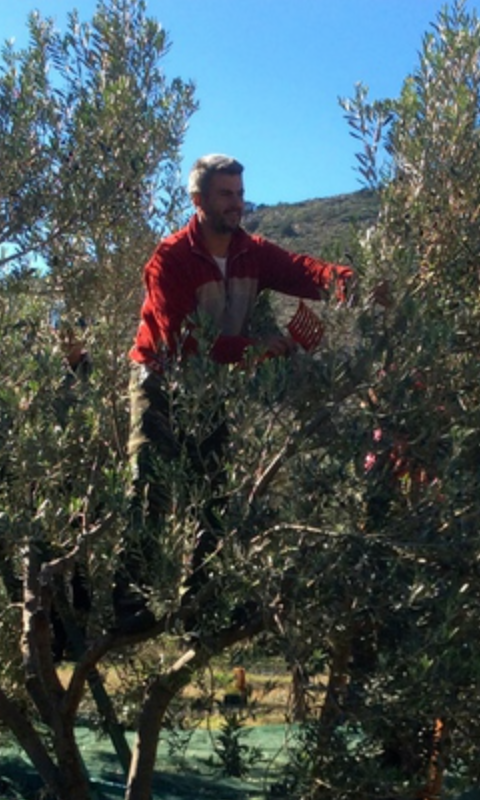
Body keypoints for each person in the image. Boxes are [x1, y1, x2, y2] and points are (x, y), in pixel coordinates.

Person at [118, 154, 355, 631]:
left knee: (214, 493)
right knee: (151, 485)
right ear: (198, 199)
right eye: (226, 194)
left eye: (240, 194)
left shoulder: (253, 251)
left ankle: (198, 605)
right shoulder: (169, 260)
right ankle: (130, 607)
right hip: (160, 381)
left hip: (213, 388)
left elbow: (303, 270)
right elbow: (182, 343)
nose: (237, 204)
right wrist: (258, 348)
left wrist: (348, 283)